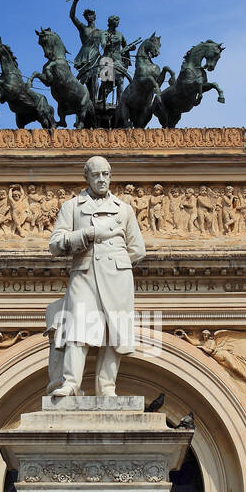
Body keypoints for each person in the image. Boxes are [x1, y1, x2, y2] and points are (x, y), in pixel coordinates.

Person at [48, 156, 146, 397]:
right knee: (78, 326)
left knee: (116, 329)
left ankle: (107, 388)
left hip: (117, 278)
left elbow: (138, 249)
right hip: (84, 274)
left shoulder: (124, 209)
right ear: (87, 178)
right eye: (96, 175)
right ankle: (71, 383)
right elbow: (55, 244)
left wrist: (116, 262)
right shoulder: (72, 207)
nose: (102, 179)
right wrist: (88, 234)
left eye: (106, 174)